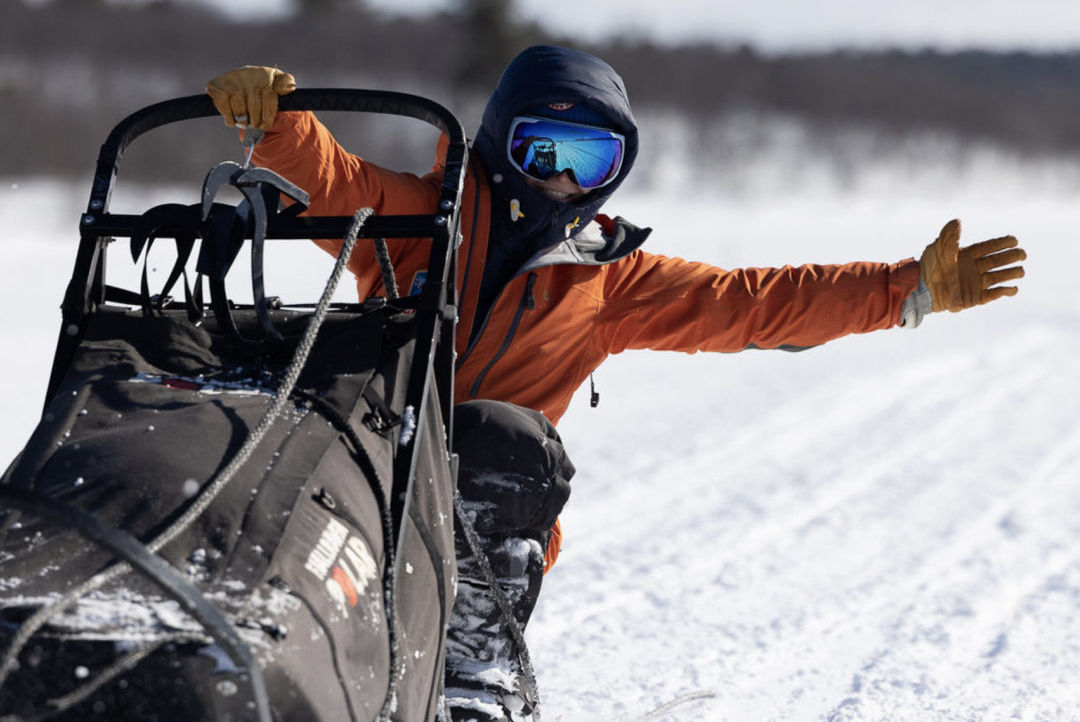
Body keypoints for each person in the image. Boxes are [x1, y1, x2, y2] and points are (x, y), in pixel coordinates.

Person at [206, 45, 1026, 722]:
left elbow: (752, 302)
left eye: (588, 159)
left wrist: (904, 288)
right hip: (367, 465)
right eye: (543, 152)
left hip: (485, 513)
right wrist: (280, 124)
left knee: (509, 436)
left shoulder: (610, 281)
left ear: (615, 172)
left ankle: (473, 671)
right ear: (500, 143)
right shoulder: (426, 221)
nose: (562, 180)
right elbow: (340, 184)